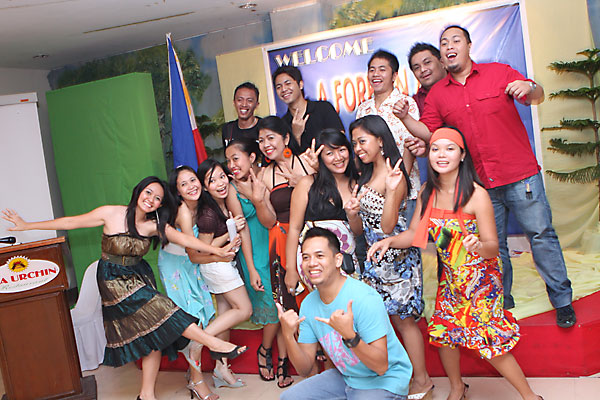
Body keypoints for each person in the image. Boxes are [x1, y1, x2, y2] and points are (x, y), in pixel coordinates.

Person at [393, 25, 576, 327]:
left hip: (520, 175)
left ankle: (562, 301)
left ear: (468, 45)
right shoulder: (438, 94)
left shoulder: (498, 72)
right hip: (480, 185)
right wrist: (405, 118)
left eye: (455, 40)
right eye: (444, 43)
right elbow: (429, 133)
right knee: (494, 246)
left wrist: (529, 87)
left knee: (541, 235)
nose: (449, 46)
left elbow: (536, 95)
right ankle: (502, 300)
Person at [1, 176, 246, 400]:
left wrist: (217, 251)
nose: (151, 199)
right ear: (138, 191)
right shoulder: (111, 213)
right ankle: (212, 343)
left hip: (137, 276)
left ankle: (146, 396)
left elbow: (186, 239)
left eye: (157, 198)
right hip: (112, 278)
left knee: (152, 335)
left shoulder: (152, 226)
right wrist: (26, 225)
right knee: (162, 309)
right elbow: (71, 221)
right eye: (148, 192)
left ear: (160, 205)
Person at [368, 127, 543, 400]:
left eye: (450, 149)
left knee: (488, 340)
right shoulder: (427, 192)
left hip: (481, 282)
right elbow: (413, 234)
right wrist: (388, 241)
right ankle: (457, 388)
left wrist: (478, 245)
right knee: (444, 335)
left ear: (462, 155)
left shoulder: (476, 194)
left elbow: (493, 247)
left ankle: (530, 396)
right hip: (450, 281)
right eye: (435, 149)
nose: (441, 154)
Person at [345, 115, 433, 398]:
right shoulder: (365, 176)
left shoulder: (395, 176)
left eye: (362, 141)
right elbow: (359, 230)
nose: (358, 148)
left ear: (380, 140)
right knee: (383, 321)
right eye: (355, 143)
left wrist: (393, 191)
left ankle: (422, 381)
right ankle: (395, 376)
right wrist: (352, 213)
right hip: (374, 260)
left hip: (397, 260)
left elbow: (387, 226)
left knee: (404, 322)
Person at [278, 227, 413, 400]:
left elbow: (381, 366)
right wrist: (288, 336)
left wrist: (350, 336)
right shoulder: (308, 304)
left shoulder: (364, 298)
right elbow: (304, 369)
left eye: (320, 256)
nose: (311, 263)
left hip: (385, 381)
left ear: (338, 260)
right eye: (306, 257)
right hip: (347, 376)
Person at [255, 115, 316, 387]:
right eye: (261, 140)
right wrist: (259, 200)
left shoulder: (307, 161)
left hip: (312, 239)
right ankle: (292, 361)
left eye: (271, 138)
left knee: (315, 299)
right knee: (289, 303)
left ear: (286, 138)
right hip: (280, 242)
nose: (266, 144)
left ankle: (323, 355)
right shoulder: (263, 175)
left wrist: (301, 180)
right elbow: (268, 220)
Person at [186, 159, 256, 389]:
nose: (220, 183)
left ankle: (221, 369)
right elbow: (202, 249)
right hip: (217, 266)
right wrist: (229, 231)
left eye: (221, 177)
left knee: (224, 316)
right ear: (205, 187)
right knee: (244, 309)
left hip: (223, 264)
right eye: (212, 180)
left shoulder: (223, 204)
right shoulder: (208, 214)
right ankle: (198, 342)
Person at [158, 166, 219, 400]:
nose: (191, 186)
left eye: (193, 180)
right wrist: (222, 250)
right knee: (193, 321)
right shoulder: (183, 210)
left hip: (190, 265)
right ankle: (197, 381)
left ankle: (193, 372)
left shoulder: (202, 206)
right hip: (175, 267)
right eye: (183, 184)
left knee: (202, 317)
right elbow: (194, 251)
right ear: (177, 192)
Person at [224, 138, 280, 383]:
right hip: (254, 252)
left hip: (277, 243)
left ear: (252, 157)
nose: (231, 165)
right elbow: (242, 229)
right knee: (269, 304)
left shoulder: (266, 176)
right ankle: (265, 350)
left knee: (283, 302)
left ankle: (284, 358)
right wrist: (251, 268)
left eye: (235, 158)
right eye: (228, 160)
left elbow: (274, 215)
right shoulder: (232, 189)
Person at [285, 128, 360, 295]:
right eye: (329, 153)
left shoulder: (358, 184)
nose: (338, 157)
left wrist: (352, 215)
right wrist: (290, 269)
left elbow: (359, 231)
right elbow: (294, 229)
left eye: (341, 150)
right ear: (320, 157)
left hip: (348, 262)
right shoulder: (307, 184)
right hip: (314, 265)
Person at [356, 49, 421, 223]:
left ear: (394, 75)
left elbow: (410, 146)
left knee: (405, 236)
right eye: (372, 70)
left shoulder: (405, 103)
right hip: (373, 194)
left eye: (382, 69)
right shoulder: (363, 109)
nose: (376, 74)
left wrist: (400, 183)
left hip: (405, 190)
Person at [273, 65, 344, 152]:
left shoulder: (323, 108)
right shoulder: (283, 123)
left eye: (288, 83)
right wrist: (296, 135)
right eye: (278, 87)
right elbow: (288, 156)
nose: (283, 89)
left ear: (300, 85)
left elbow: (340, 139)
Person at [408, 43, 447, 114]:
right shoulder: (414, 103)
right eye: (417, 68)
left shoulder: (461, 84)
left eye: (427, 62)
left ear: (442, 62)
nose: (423, 70)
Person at [221, 82, 261, 149]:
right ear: (234, 102)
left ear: (257, 104)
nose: (244, 104)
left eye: (249, 101)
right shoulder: (228, 129)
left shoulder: (264, 128)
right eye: (240, 100)